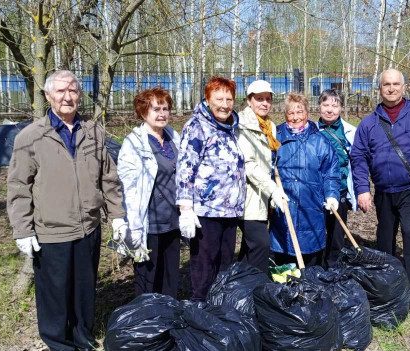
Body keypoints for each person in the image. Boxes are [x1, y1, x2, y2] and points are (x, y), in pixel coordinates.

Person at [7, 70, 126, 351]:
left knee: (84, 290)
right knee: (55, 294)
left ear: (79, 95)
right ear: (48, 96)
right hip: (52, 230)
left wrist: (117, 214)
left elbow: (108, 177)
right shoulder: (31, 137)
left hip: (88, 227)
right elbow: (18, 186)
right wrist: (23, 230)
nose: (67, 97)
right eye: (60, 91)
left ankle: (82, 335)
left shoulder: (92, 130)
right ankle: (59, 342)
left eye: (72, 90)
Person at [350, 68, 410, 290]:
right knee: (384, 238)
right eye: (387, 84)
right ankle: (388, 285)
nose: (391, 88)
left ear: (404, 87)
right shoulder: (369, 123)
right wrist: (363, 189)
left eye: (395, 84)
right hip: (384, 190)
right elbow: (358, 157)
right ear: (380, 89)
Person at [176, 76, 246, 301]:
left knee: (224, 266)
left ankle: (219, 313)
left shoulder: (230, 128)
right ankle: (200, 312)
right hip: (206, 212)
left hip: (229, 211)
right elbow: (186, 168)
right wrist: (185, 209)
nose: (225, 104)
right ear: (207, 99)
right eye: (219, 98)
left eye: (229, 98)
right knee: (205, 267)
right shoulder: (196, 126)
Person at [117, 87, 181, 298]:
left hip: (172, 221)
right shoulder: (133, 144)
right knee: (149, 280)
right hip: (148, 223)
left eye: (165, 108)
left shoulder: (174, 139)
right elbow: (129, 188)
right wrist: (132, 225)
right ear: (144, 112)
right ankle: (148, 323)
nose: (162, 114)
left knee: (170, 278)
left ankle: (168, 320)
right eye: (156, 109)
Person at [269, 93, 340, 267]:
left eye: (299, 112)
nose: (295, 117)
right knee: (285, 264)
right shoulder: (275, 138)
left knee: (311, 262)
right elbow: (265, 168)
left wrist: (332, 195)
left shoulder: (320, 141)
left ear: (307, 113)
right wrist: (271, 193)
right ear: (285, 115)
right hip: (283, 209)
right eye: (291, 113)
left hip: (312, 208)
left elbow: (331, 172)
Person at [236, 80, 288, 274]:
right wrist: (272, 190)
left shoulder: (270, 127)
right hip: (248, 195)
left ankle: (238, 287)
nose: (264, 103)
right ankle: (257, 289)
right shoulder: (241, 125)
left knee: (249, 248)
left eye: (268, 99)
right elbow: (249, 164)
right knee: (260, 244)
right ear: (249, 101)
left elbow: (271, 162)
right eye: (259, 99)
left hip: (264, 196)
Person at [316, 89, 357, 268]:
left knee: (336, 233)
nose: (330, 109)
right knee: (315, 231)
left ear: (341, 108)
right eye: (326, 105)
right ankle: (314, 268)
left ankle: (333, 268)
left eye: (335, 105)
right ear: (319, 106)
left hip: (339, 190)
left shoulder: (350, 132)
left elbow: (357, 161)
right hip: (315, 192)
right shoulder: (311, 130)